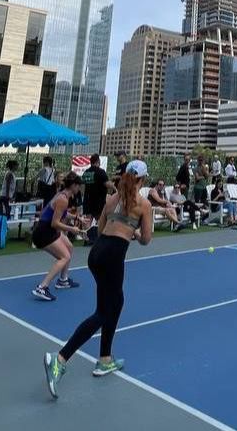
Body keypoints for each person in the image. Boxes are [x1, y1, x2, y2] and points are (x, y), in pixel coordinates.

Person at [43, 160, 154, 397]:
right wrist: (132, 230)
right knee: (104, 312)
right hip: (113, 257)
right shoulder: (144, 204)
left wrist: (121, 226)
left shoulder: (112, 199)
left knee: (116, 303)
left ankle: (105, 358)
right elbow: (146, 239)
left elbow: (102, 226)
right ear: (142, 180)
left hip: (98, 253)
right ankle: (60, 358)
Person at [31, 172, 84, 301]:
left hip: (47, 229)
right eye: (78, 186)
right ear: (73, 186)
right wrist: (72, 229)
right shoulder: (63, 199)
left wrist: (77, 218)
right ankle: (42, 287)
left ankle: (63, 280)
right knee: (64, 257)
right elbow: (55, 223)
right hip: (44, 232)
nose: (79, 189)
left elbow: (61, 214)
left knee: (69, 247)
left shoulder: (62, 195)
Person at [81, 154, 110, 245]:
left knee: (87, 219)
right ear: (98, 161)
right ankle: (101, 237)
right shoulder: (101, 172)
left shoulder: (86, 172)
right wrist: (114, 187)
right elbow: (107, 184)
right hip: (98, 200)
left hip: (87, 199)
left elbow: (82, 186)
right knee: (100, 219)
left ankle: (87, 239)